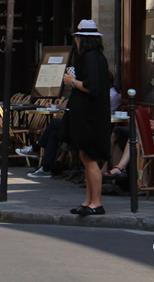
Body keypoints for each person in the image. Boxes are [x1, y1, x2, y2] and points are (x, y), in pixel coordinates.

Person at [63, 19, 110, 217]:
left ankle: (96, 202)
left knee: (90, 158)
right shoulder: (96, 58)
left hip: (91, 117)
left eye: (78, 39)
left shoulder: (91, 59)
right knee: (86, 157)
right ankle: (89, 200)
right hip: (89, 115)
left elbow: (92, 87)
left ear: (83, 40)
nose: (76, 43)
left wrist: (73, 82)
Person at [16, 100, 68, 178]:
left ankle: (36, 148)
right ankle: (46, 169)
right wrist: (55, 106)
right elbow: (69, 103)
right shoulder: (78, 92)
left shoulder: (84, 90)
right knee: (53, 133)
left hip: (83, 129)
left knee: (54, 122)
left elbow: (70, 104)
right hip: (72, 127)